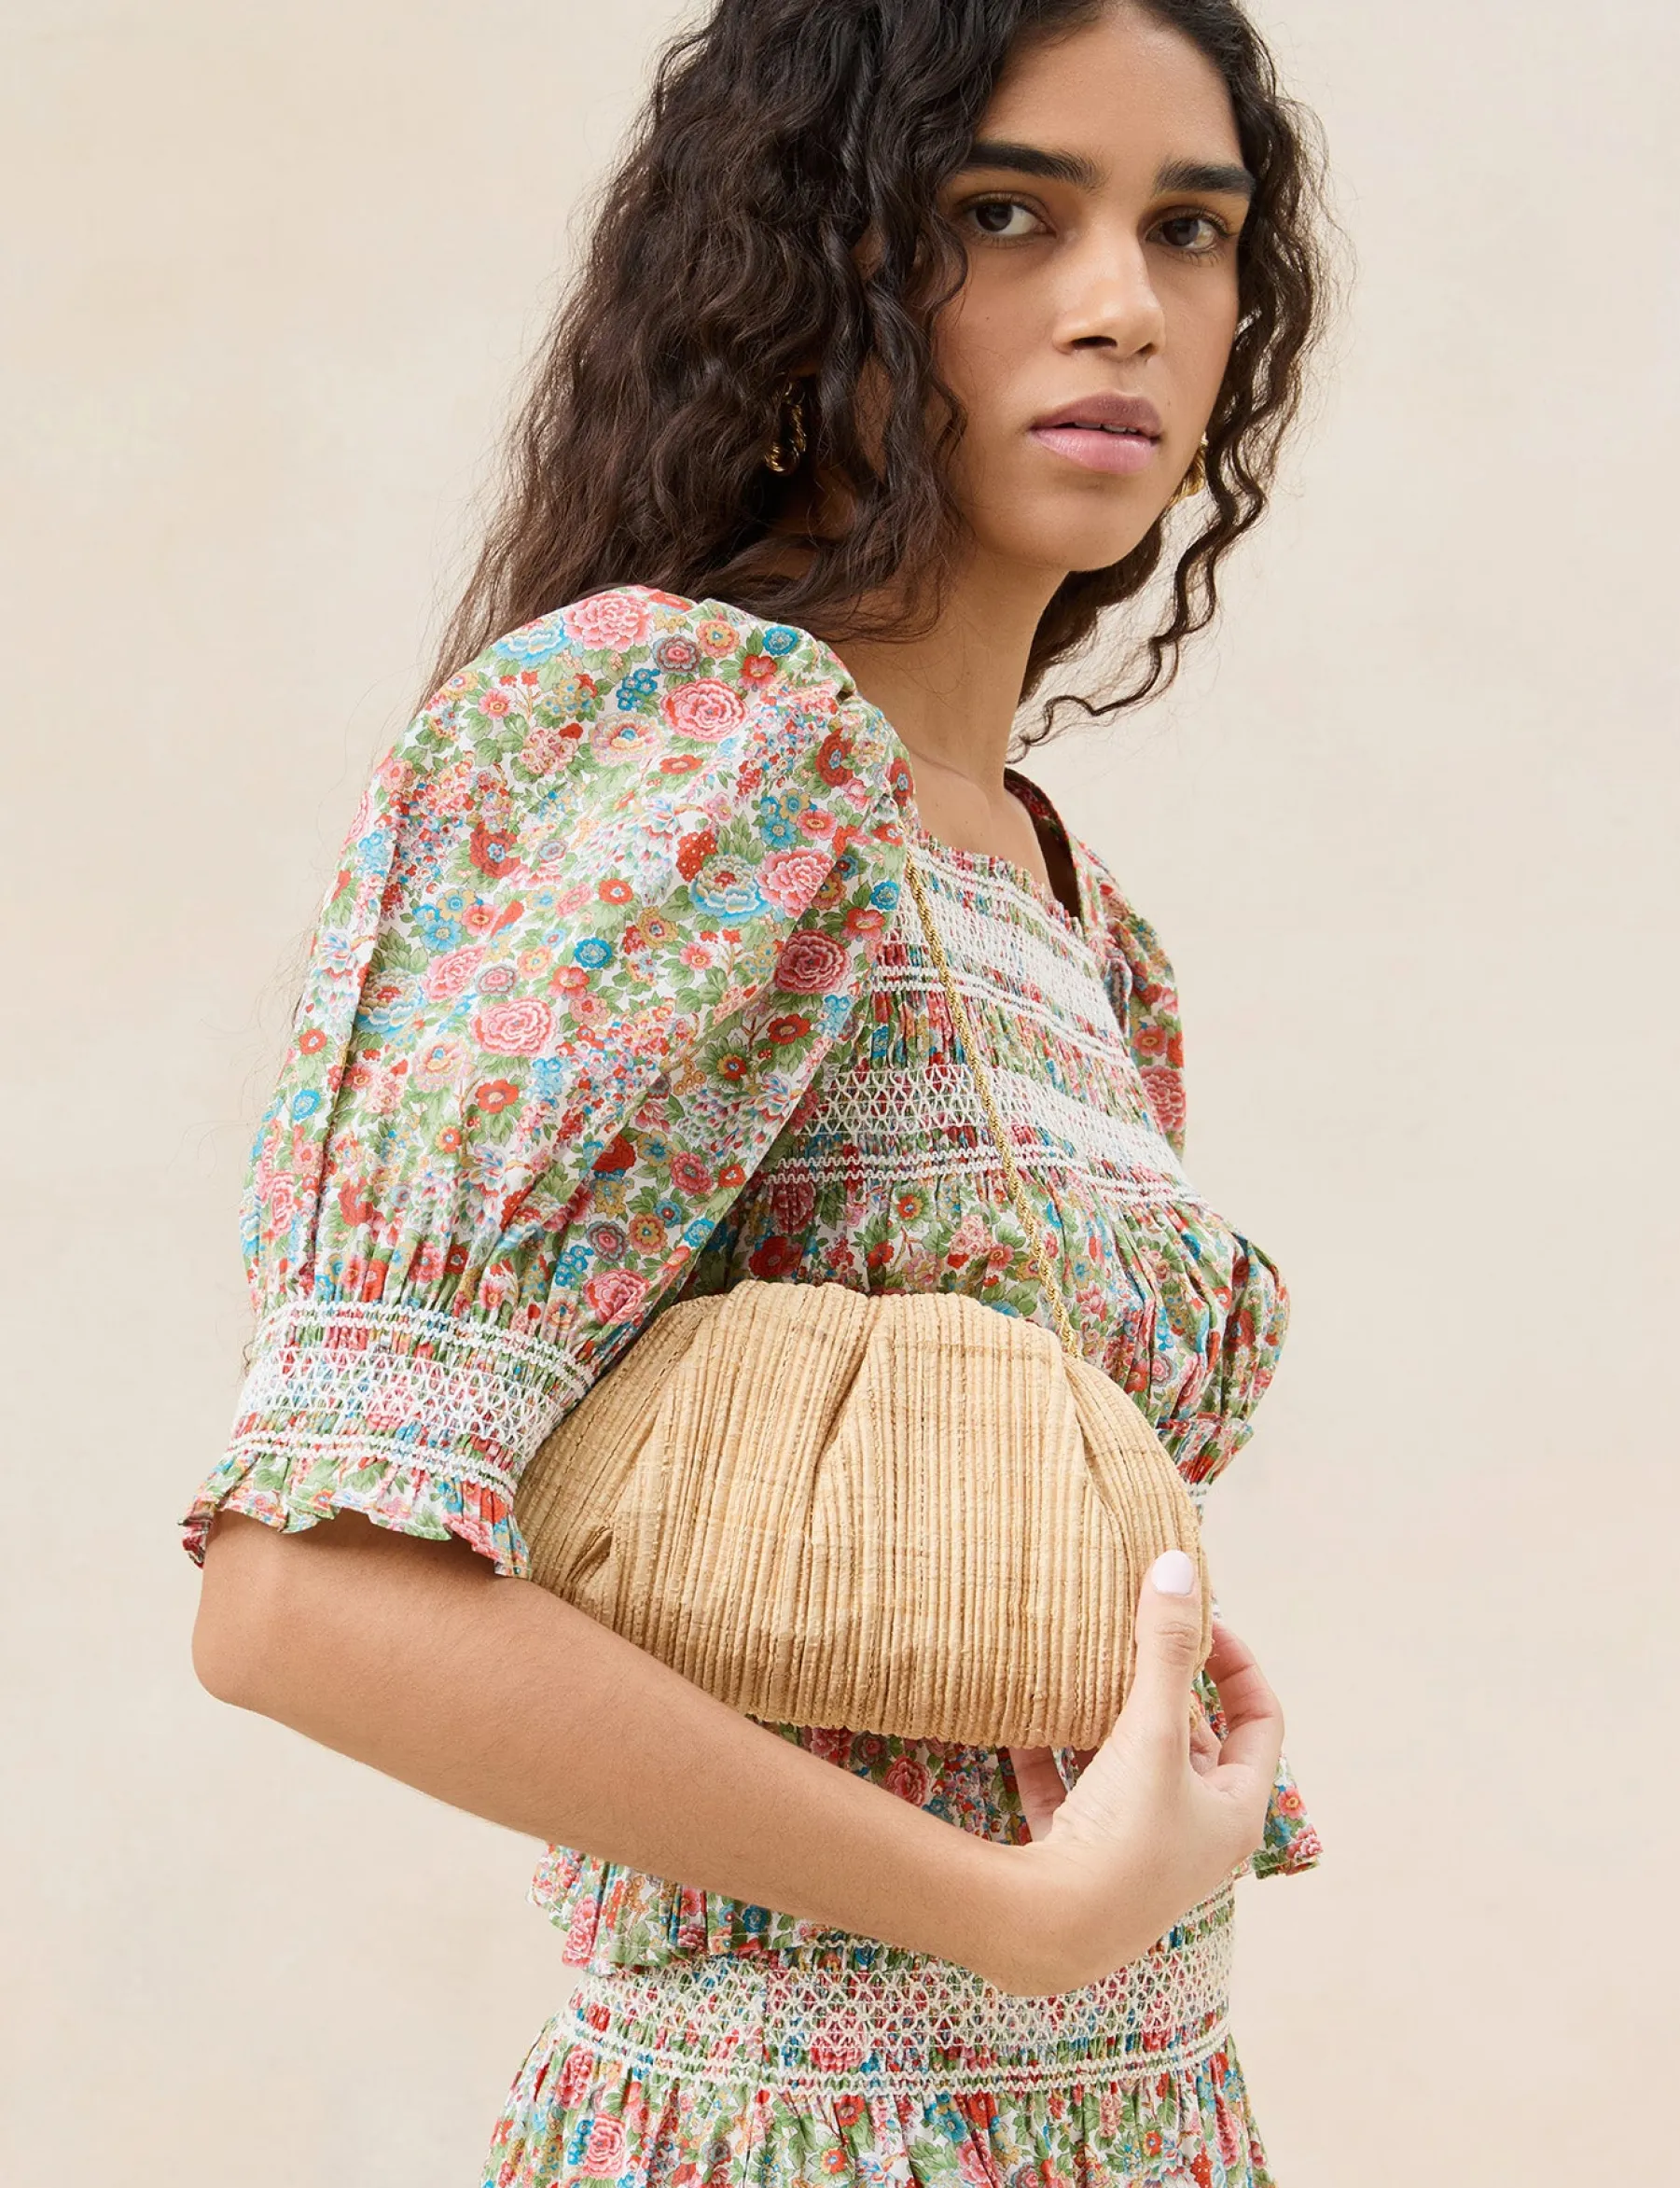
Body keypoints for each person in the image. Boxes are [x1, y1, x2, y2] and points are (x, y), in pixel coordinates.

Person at [184, 1, 1335, 2180]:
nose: (1122, 303)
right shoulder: (706, 742)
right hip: (787, 2130)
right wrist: (1016, 1911)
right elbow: (300, 1592)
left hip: (1132, 2122)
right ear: (813, 258)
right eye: (1006, 212)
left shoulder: (1073, 912)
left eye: (1189, 229)